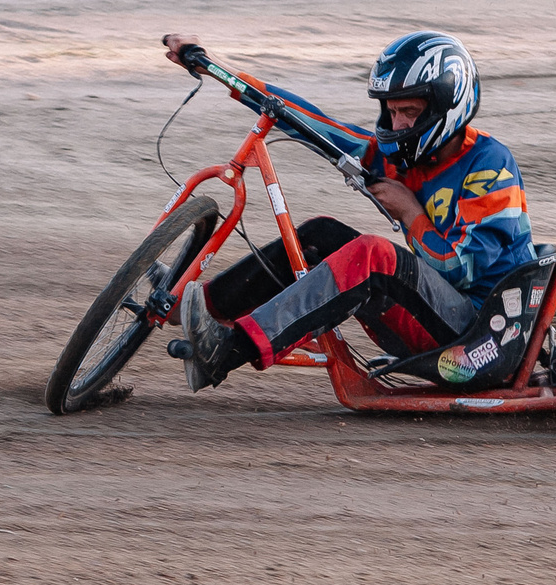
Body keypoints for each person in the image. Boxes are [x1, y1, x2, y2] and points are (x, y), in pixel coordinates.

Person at [161, 30, 536, 391]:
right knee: (321, 234)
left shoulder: (490, 166)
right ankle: (196, 307)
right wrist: (212, 68)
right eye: (391, 111)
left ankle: (229, 350)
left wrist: (409, 212)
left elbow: (461, 270)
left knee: (373, 256)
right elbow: (308, 122)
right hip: (438, 320)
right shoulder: (400, 158)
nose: (397, 124)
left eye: (409, 111)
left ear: (446, 106)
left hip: (486, 339)